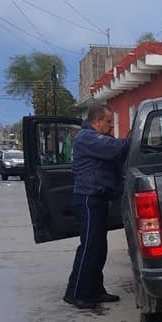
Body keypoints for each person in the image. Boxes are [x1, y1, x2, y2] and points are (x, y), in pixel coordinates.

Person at [64, 105, 130, 309]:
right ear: (97, 121)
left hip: (97, 198)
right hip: (88, 198)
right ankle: (76, 293)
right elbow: (116, 149)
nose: (111, 126)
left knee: (99, 248)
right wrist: (136, 137)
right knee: (90, 247)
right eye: (108, 122)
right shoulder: (87, 137)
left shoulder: (95, 138)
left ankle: (95, 290)